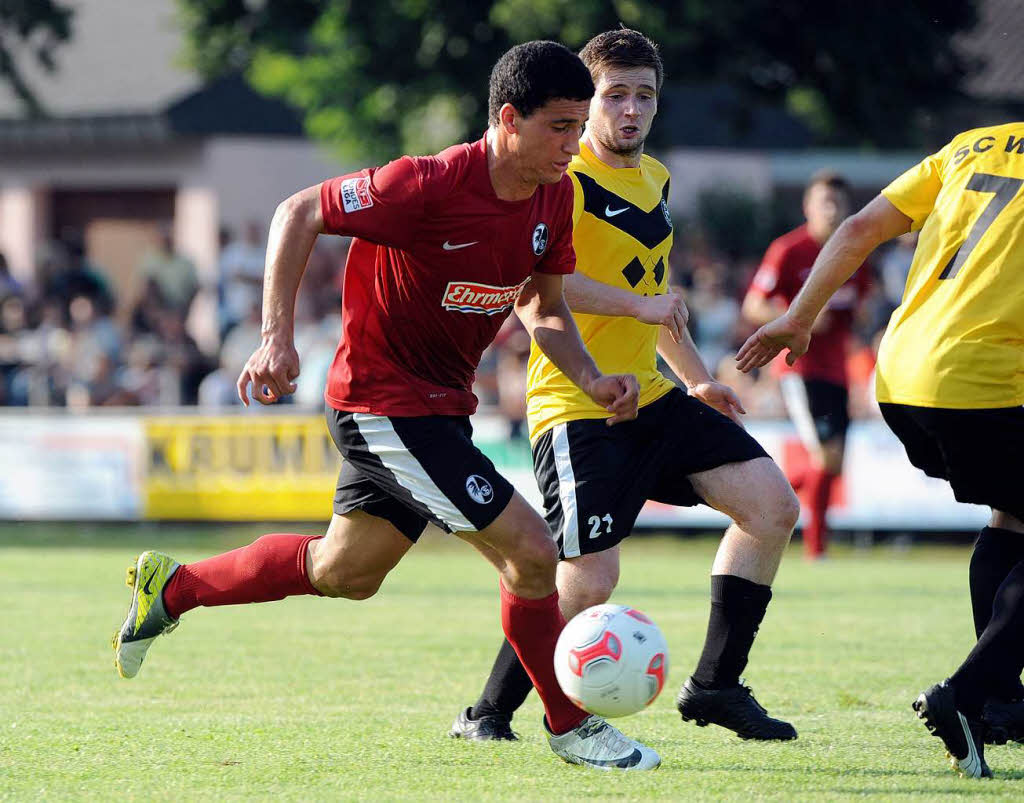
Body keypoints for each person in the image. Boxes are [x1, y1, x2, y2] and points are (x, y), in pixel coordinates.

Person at [112, 40, 662, 772]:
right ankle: (572, 728)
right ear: (508, 119)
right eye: (560, 127)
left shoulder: (555, 196)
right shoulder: (428, 185)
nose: (574, 142)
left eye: (576, 124)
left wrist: (591, 378)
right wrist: (276, 338)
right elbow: (298, 210)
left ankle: (172, 588)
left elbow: (546, 307)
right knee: (533, 552)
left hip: (438, 410)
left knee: (347, 571)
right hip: (382, 403)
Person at [449, 28, 799, 745]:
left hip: (654, 397)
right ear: (586, 99)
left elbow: (654, 291)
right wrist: (642, 307)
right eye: (615, 95)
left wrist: (698, 380)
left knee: (772, 505)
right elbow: (534, 287)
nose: (631, 110)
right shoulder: (559, 178)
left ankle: (714, 687)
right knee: (586, 581)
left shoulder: (658, 179)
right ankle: (488, 712)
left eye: (645, 96)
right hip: (577, 405)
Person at [736, 122, 1024, 779]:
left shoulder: (974, 143)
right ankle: (973, 692)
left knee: (1012, 515)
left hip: (900, 373)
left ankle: (999, 703)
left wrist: (798, 317)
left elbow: (860, 229)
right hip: (985, 376)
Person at [742, 172, 872, 559]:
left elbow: (858, 309)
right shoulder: (788, 249)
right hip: (798, 368)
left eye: (838, 203)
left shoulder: (855, 250)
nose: (831, 210)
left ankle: (766, 500)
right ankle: (817, 550)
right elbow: (753, 305)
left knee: (833, 465)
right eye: (824, 202)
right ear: (808, 207)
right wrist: (800, 318)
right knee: (825, 457)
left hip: (837, 370)